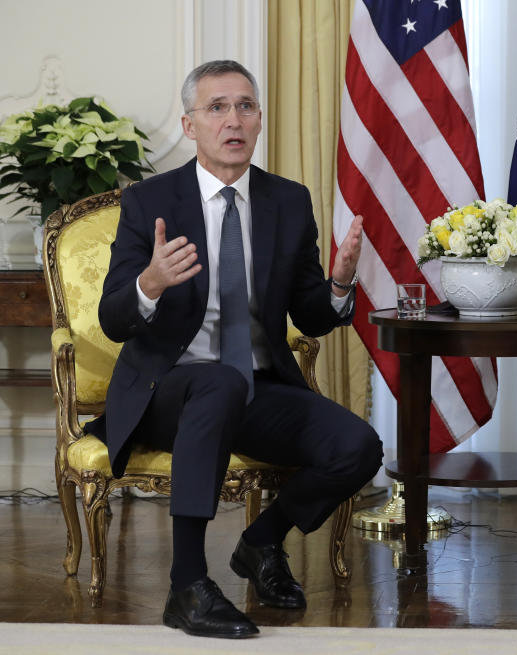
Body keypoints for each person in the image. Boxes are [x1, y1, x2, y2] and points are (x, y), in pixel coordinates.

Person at [87, 60, 383, 639]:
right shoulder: (151, 202)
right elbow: (112, 318)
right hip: (166, 389)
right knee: (216, 382)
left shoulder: (288, 202)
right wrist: (149, 283)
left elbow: (310, 317)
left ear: (260, 120)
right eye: (217, 107)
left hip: (255, 387)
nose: (234, 120)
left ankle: (261, 542)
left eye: (245, 106)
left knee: (358, 445)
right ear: (190, 124)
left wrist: (341, 284)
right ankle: (188, 585)